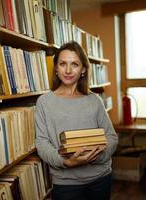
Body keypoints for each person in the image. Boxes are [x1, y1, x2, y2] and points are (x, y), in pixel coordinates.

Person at [35, 41, 118, 200]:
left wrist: (97, 157)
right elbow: (42, 142)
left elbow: (112, 137)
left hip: (101, 179)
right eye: (62, 64)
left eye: (74, 64)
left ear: (83, 70)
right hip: (66, 184)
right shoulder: (44, 102)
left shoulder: (94, 100)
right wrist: (65, 162)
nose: (67, 70)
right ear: (56, 69)